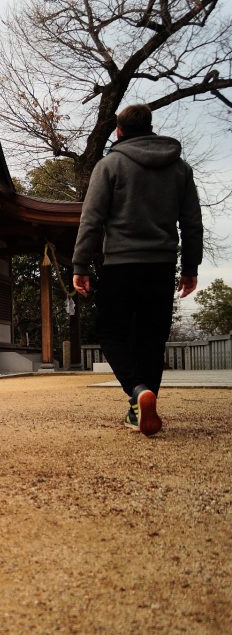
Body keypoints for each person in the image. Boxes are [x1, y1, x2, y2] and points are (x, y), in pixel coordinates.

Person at [72, 103, 203, 436]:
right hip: (161, 265)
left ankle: (136, 391)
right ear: (150, 127)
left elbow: (92, 219)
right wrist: (190, 267)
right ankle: (144, 406)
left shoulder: (110, 165)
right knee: (152, 339)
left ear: (119, 130)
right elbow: (191, 223)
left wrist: (80, 264)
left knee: (111, 333)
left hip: (120, 264)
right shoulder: (180, 170)